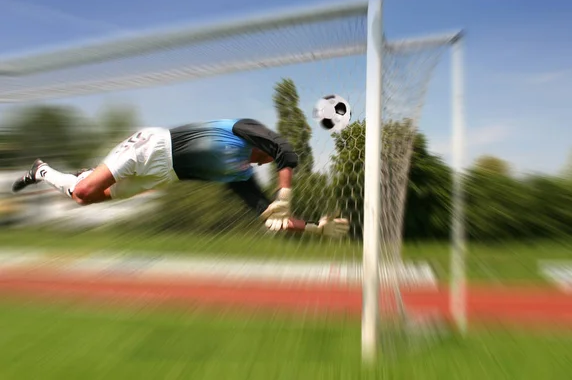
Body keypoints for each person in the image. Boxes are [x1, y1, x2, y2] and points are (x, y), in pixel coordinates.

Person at [11, 118, 349, 238]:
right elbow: (285, 150)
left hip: (160, 177)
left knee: (82, 197)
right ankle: (79, 175)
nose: (264, 165)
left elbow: (269, 218)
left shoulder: (240, 176)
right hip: (153, 146)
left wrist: (316, 228)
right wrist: (285, 192)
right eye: (267, 160)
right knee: (86, 187)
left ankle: (42, 171)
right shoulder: (241, 130)